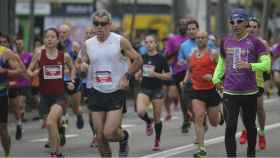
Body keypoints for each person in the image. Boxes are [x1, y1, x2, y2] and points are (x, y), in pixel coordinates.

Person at [79, 9, 143, 157]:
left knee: (109, 133)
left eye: (103, 24)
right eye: (96, 24)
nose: (100, 27)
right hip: (96, 91)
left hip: (115, 91)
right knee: (100, 137)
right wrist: (82, 67)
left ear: (109, 25)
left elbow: (139, 60)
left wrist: (127, 76)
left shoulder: (119, 41)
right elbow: (83, 63)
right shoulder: (88, 44)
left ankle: (124, 137)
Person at [212, 8, 270, 157]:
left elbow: (266, 64)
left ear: (246, 23)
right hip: (230, 91)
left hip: (249, 92)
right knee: (230, 127)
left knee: (250, 126)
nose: (235, 25)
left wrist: (250, 66)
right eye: (232, 22)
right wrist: (216, 78)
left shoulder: (256, 42)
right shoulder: (226, 41)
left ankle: (251, 153)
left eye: (239, 21)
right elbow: (222, 61)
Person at [27, 28, 76, 157]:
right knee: (50, 127)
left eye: (52, 37)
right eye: (47, 37)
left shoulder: (64, 56)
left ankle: (54, 153)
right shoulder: (39, 55)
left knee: (50, 121)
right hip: (44, 97)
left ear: (57, 39)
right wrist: (34, 73)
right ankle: (58, 153)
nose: (49, 39)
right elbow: (28, 71)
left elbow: (73, 68)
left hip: (60, 97)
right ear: (44, 40)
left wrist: (71, 80)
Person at [180, 31, 223, 157]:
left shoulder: (213, 54)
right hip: (197, 91)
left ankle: (220, 116)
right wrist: (184, 80)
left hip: (211, 91)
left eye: (202, 38)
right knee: (198, 118)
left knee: (214, 122)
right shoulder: (191, 54)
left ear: (207, 40)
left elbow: (223, 70)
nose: (200, 40)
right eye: (198, 38)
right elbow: (190, 69)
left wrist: (213, 77)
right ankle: (202, 150)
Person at [239, 17, 271, 150]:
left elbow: (266, 64)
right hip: (242, 77)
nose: (251, 29)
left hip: (257, 77)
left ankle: (262, 132)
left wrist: (267, 80)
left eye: (254, 27)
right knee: (242, 107)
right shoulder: (239, 42)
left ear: (258, 29)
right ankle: (247, 128)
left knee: (258, 107)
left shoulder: (262, 43)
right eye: (249, 26)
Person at [135, 35, 171, 151]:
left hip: (157, 90)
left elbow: (168, 75)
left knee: (157, 118)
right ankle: (148, 121)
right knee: (140, 111)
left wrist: (155, 74)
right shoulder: (142, 57)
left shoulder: (161, 58)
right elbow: (138, 71)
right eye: (146, 42)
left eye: (151, 42)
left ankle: (157, 141)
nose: (148, 44)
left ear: (156, 44)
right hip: (144, 89)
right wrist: (138, 74)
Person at [163, 17, 189, 132]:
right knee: (180, 96)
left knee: (190, 98)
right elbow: (166, 57)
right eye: (181, 24)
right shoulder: (172, 40)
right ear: (178, 27)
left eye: (185, 25)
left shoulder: (193, 39)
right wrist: (176, 51)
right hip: (178, 72)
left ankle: (192, 117)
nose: (183, 27)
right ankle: (186, 119)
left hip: (192, 72)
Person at [0, 37, 25, 157]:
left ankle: (7, 154)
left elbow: (19, 70)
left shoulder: (4, 52)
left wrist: (4, 71)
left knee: (2, 128)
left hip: (1, 95)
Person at [58, 24, 84, 130]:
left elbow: (81, 60)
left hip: (73, 80)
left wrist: (77, 68)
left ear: (69, 34)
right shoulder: (54, 46)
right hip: (59, 80)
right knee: (62, 107)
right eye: (60, 32)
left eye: (64, 32)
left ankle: (79, 115)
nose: (62, 34)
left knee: (74, 107)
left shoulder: (75, 46)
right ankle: (63, 130)